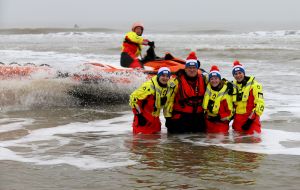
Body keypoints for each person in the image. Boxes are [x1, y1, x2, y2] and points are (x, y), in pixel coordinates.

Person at [165, 52, 206, 133]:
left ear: (197, 69)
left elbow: (216, 85)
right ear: (185, 69)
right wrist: (168, 118)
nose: (192, 70)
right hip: (181, 119)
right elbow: (168, 101)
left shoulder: (204, 79)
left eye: (194, 67)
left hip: (198, 119)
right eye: (189, 68)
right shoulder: (175, 82)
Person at [129, 67, 171, 134]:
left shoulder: (168, 88)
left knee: (156, 143)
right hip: (143, 121)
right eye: (163, 75)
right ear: (158, 76)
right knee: (140, 142)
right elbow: (133, 98)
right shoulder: (149, 86)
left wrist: (168, 118)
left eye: (167, 76)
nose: (165, 78)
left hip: (155, 122)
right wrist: (139, 115)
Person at [231, 60, 265, 134]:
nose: (238, 75)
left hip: (252, 119)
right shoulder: (231, 86)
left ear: (244, 73)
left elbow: (260, 104)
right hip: (238, 120)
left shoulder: (255, 85)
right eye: (235, 74)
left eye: (240, 73)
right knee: (237, 144)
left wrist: (249, 121)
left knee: (254, 142)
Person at [202, 65, 233, 134]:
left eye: (216, 78)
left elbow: (230, 113)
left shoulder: (226, 93)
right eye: (212, 79)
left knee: (220, 143)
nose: (214, 81)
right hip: (208, 122)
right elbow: (203, 74)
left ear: (219, 79)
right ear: (209, 80)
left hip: (221, 123)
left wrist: (218, 118)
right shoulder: (208, 88)